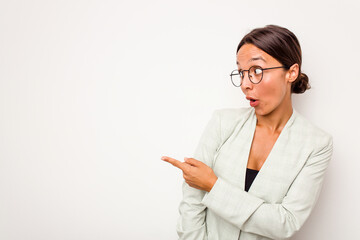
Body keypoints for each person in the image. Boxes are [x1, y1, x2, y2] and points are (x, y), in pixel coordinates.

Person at [161, 25, 333, 240]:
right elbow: (191, 203)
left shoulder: (316, 144)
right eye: (241, 73)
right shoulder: (223, 122)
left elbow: (285, 223)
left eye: (256, 71)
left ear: (291, 72)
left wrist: (212, 185)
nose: (244, 84)